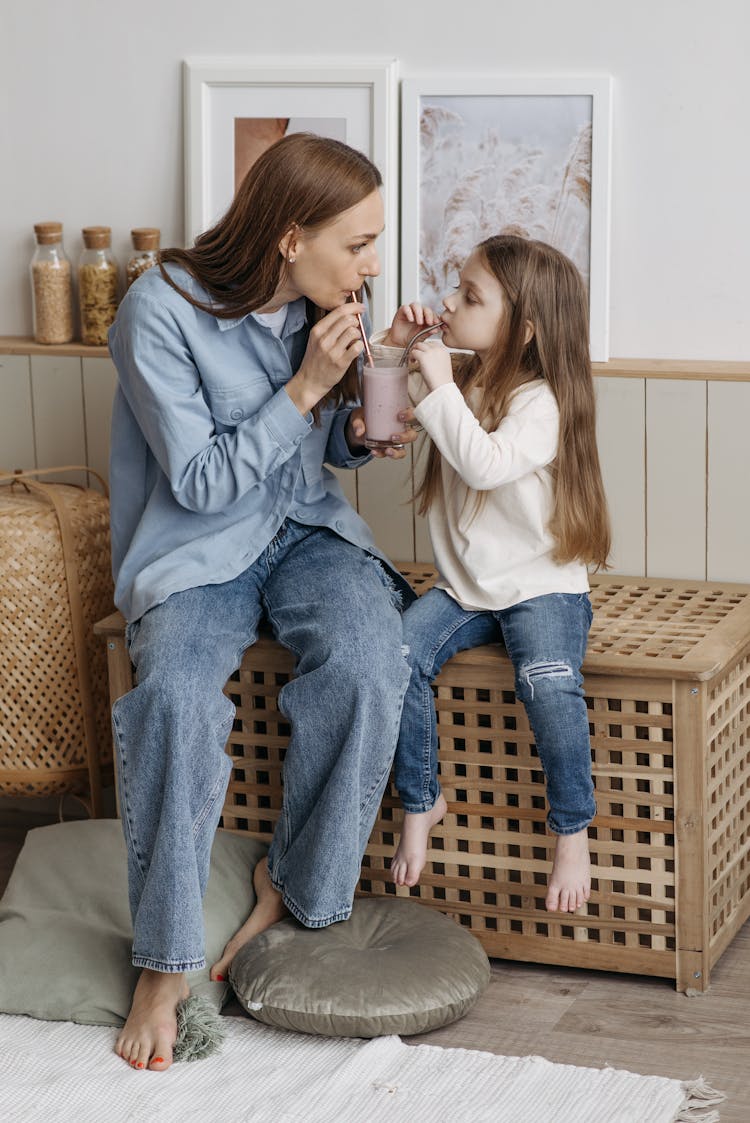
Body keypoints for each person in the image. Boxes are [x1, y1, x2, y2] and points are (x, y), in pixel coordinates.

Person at [107, 133, 417, 1072]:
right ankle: (164, 962)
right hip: (197, 546)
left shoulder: (330, 299)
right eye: (357, 244)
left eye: (374, 242)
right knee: (173, 699)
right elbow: (200, 482)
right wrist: (311, 384)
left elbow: (323, 451)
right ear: (290, 238)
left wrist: (358, 428)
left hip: (302, 528)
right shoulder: (155, 311)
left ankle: (294, 885)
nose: (370, 264)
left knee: (372, 660)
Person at [379, 234, 611, 913]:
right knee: (395, 653)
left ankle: (573, 828)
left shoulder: (542, 403)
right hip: (469, 590)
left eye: (470, 296)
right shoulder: (469, 376)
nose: (449, 302)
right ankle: (422, 799)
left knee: (546, 681)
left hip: (542, 586)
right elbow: (388, 409)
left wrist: (442, 382)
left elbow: (483, 462)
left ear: (526, 327)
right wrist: (398, 346)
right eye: (455, 287)